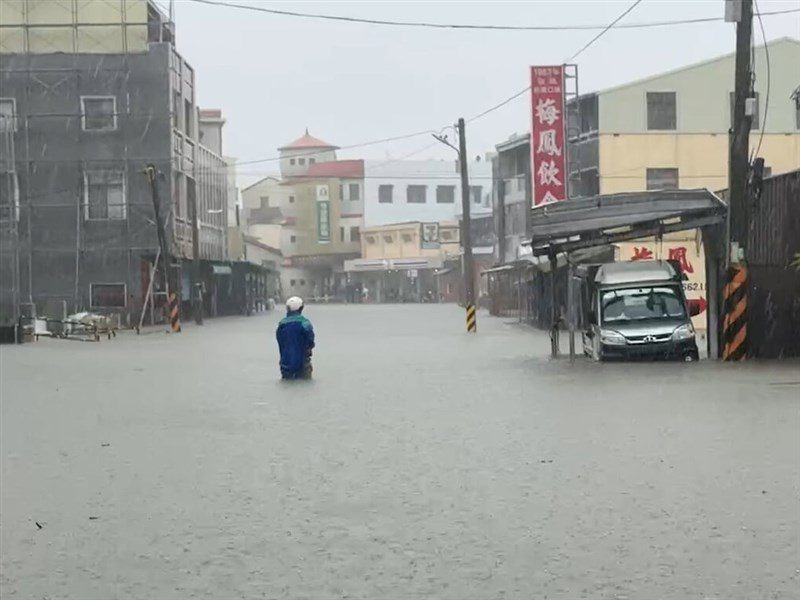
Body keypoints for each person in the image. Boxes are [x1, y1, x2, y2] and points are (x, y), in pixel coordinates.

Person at [276, 296, 315, 380]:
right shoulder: (305, 323)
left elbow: (280, 342)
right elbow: (311, 341)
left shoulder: (281, 325)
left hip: (285, 364)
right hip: (303, 364)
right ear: (301, 308)